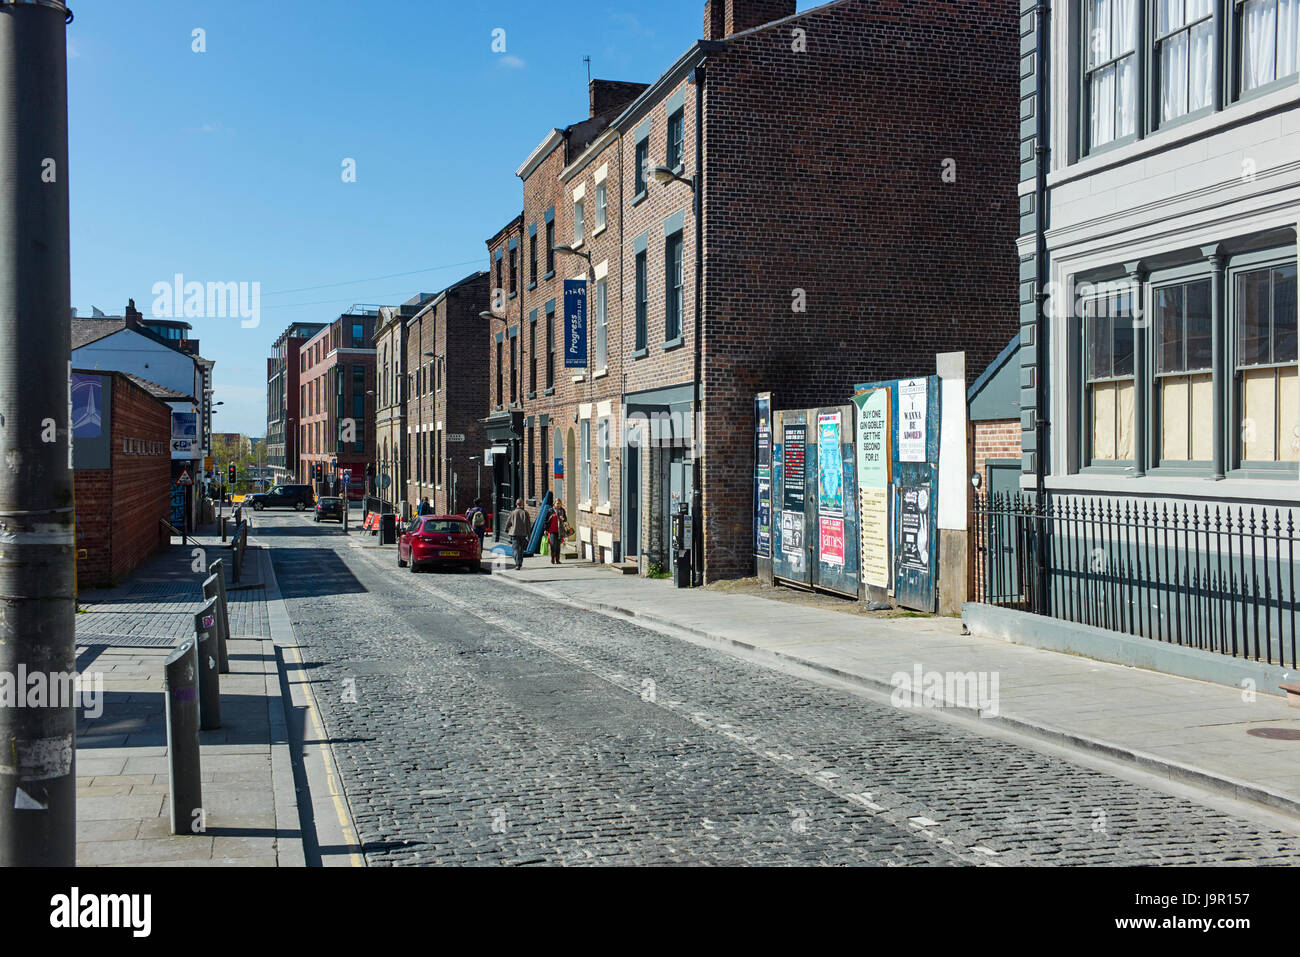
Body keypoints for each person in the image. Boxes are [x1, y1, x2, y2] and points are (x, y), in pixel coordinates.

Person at [504, 498, 530, 570]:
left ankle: (517, 563)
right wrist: (529, 535)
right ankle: (519, 563)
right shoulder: (525, 513)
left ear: (516, 504)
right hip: (523, 534)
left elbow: (508, 522)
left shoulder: (513, 512)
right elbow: (528, 525)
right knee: (521, 549)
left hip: (514, 534)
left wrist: (506, 529)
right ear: (522, 504)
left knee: (515, 549)